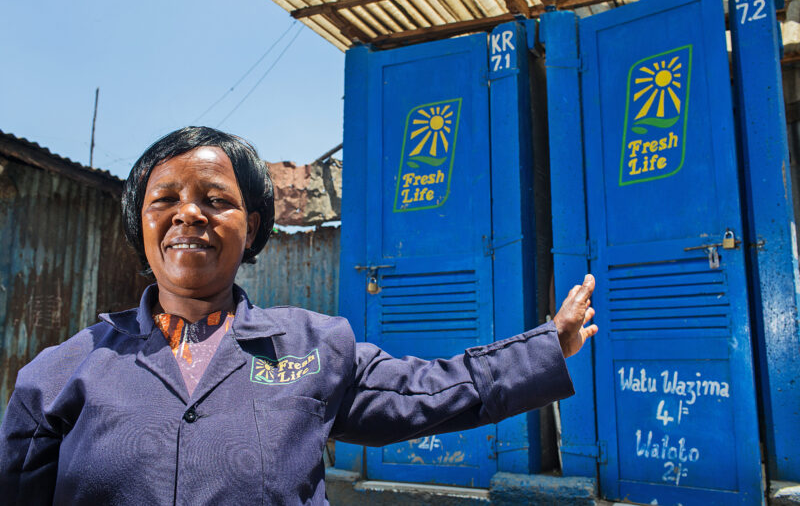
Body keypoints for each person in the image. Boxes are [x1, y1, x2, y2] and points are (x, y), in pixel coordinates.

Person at [0, 126, 597, 505]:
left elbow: (428, 390)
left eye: (216, 200)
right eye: (165, 200)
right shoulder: (60, 373)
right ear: (141, 224)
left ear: (252, 225)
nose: (189, 215)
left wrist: (548, 345)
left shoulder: (312, 346)